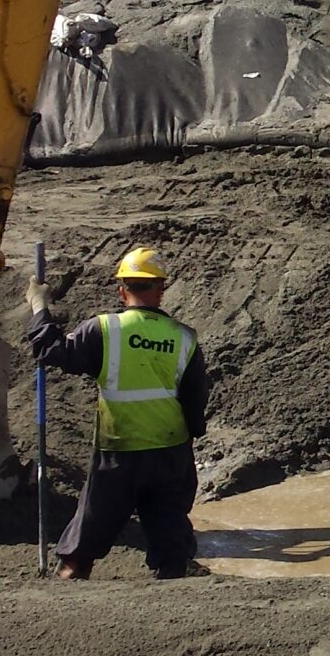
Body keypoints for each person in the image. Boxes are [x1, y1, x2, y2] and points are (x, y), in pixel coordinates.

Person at [27, 245, 211, 581]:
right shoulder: (184, 338)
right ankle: (175, 610)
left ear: (122, 289)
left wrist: (40, 307)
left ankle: (70, 587)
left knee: (86, 538)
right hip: (169, 453)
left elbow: (50, 351)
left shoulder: (103, 330)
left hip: (118, 452)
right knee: (171, 545)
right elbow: (196, 398)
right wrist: (191, 436)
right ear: (160, 290)